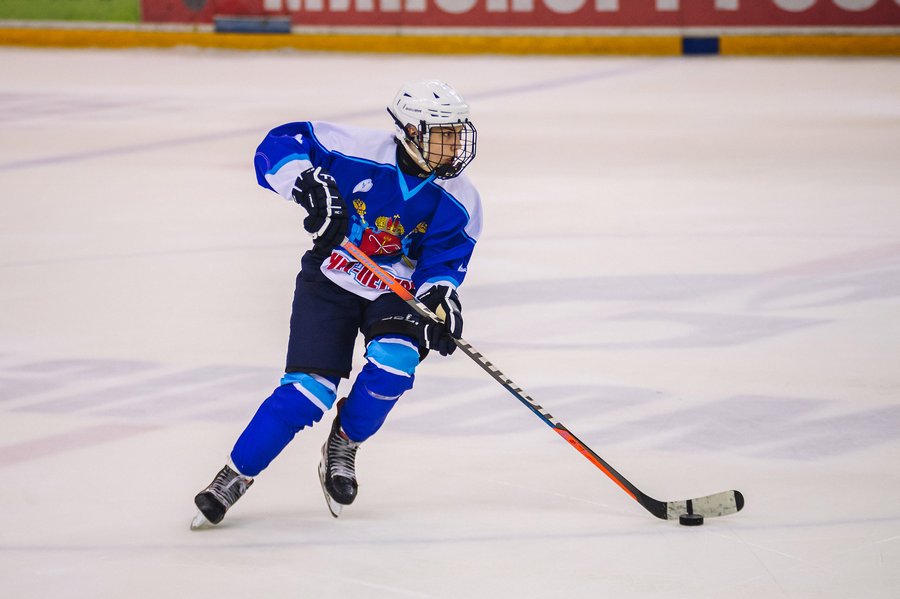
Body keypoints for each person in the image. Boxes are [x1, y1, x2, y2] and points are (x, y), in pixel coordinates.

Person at [192, 80, 482, 527]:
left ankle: (344, 441)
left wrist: (441, 298)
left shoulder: (461, 199)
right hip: (331, 276)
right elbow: (279, 144)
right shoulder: (353, 149)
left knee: (395, 365)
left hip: (394, 290)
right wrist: (306, 183)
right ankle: (235, 475)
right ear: (410, 131)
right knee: (307, 394)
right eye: (443, 134)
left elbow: (442, 264)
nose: (454, 146)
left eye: (457, 134)